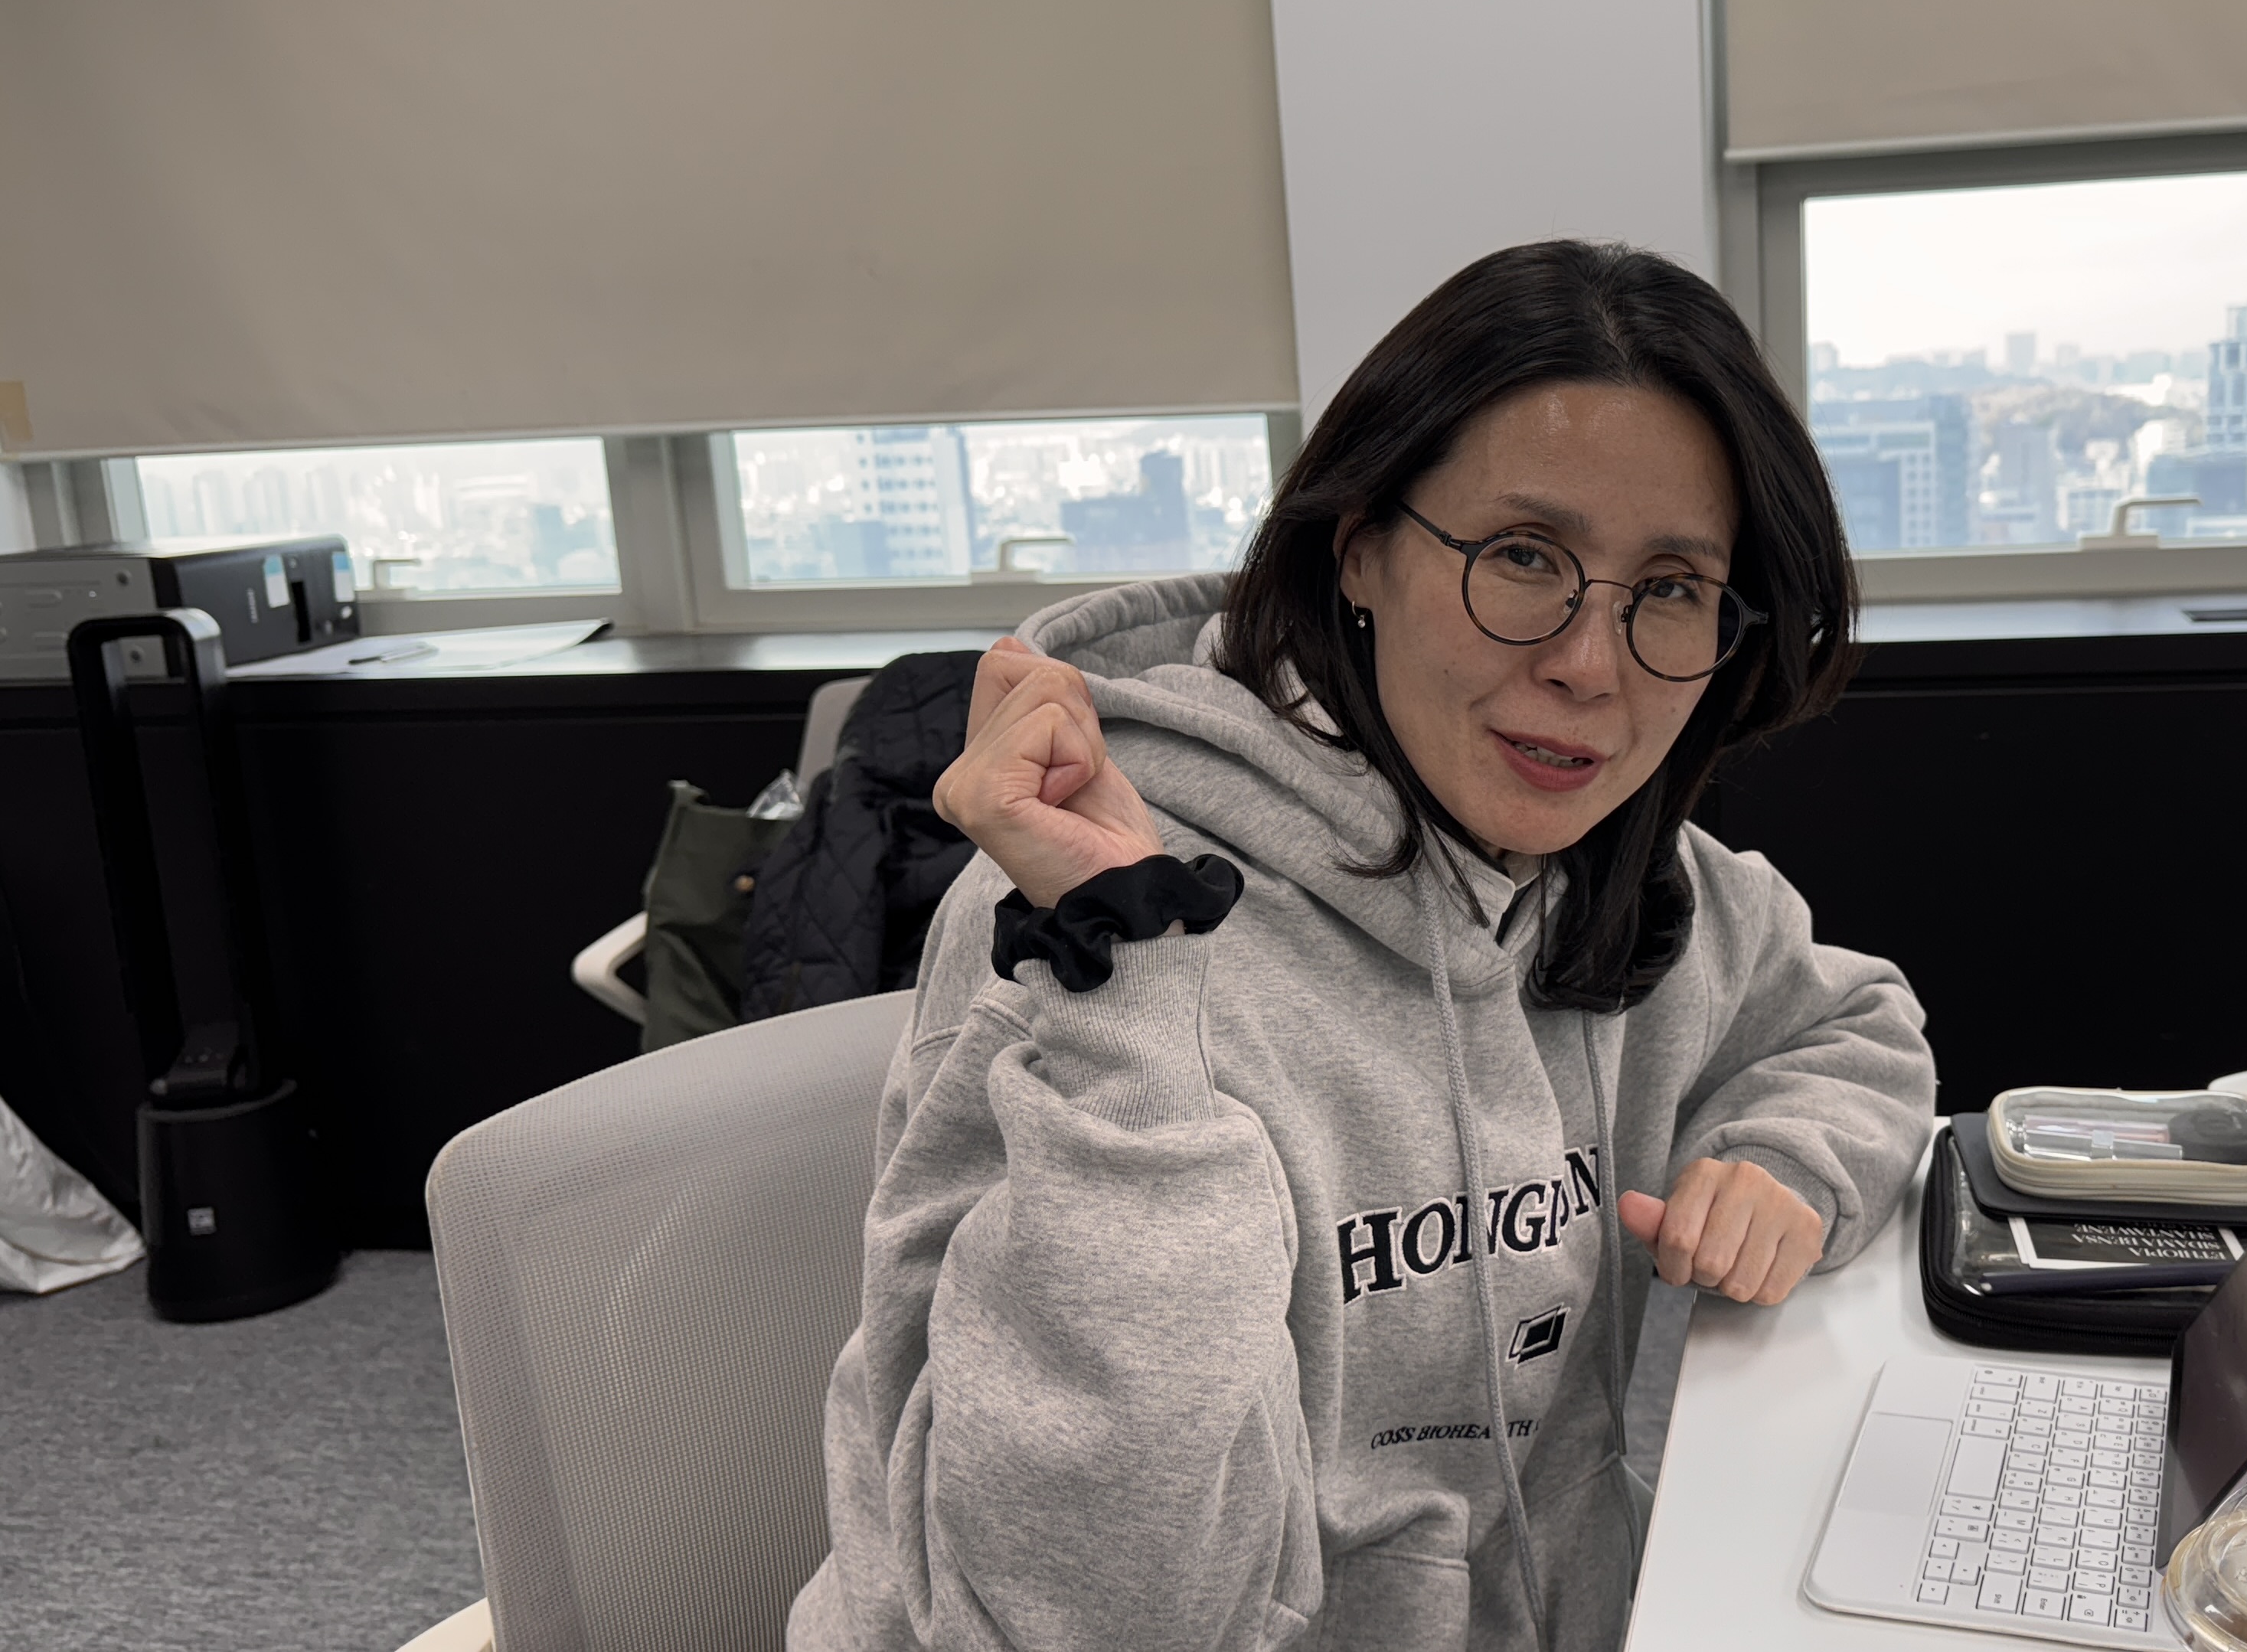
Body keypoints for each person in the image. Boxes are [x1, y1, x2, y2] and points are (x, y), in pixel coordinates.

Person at [791, 241, 1936, 1652]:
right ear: (1361, 549)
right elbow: (1090, 1612)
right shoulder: (1088, 918)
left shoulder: (1622, 873)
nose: (1590, 664)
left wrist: (1788, 1160)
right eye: (1525, 558)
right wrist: (1129, 1017)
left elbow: (1851, 1022)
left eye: (1671, 587)